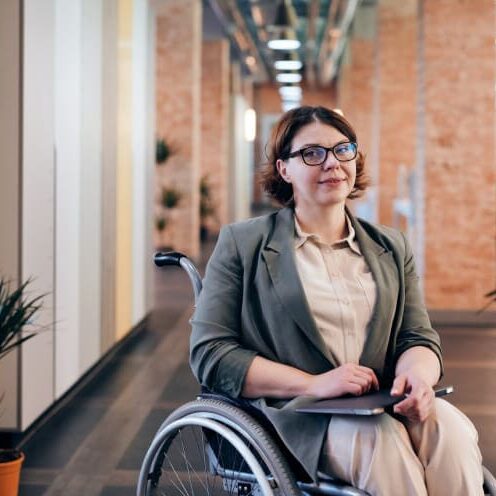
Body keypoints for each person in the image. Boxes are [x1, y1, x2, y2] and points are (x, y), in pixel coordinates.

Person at [190, 105, 483, 495]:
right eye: (312, 153)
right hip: (296, 415)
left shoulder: (390, 246)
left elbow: (417, 337)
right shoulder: (244, 244)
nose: (332, 163)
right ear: (284, 169)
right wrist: (314, 383)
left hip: (381, 402)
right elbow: (211, 353)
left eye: (343, 150)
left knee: (453, 432)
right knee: (381, 443)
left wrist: (418, 378)